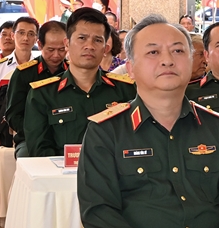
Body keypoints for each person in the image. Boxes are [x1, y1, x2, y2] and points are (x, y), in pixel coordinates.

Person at [78, 15, 219, 228]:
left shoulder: (218, 129)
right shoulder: (106, 132)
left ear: (193, 61)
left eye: (178, 51)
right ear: (130, 68)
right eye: (153, 52)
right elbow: (99, 214)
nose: (167, 61)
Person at [22, 9, 136, 158]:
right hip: (59, 172)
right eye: (82, 38)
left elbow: (135, 141)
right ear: (67, 44)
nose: (89, 46)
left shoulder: (126, 90)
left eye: (97, 40)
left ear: (105, 49)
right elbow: (39, 150)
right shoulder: (42, 94)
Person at [6, 21, 68, 156]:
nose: (56, 55)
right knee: (27, 158)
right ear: (40, 45)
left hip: (68, 136)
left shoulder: (73, 71)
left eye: (62, 49)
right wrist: (36, 132)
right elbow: (13, 115)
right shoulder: (24, 74)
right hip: (31, 137)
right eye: (50, 50)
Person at [0, 17, 39, 124]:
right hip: (3, 127)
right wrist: (1, 122)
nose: (25, 38)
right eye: (21, 33)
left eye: (31, 34)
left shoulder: (41, 67)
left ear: (36, 39)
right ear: (13, 36)